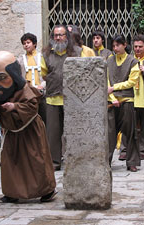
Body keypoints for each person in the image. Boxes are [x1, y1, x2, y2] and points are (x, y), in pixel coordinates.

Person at [0, 51, 56, 203]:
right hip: (12, 133)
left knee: (36, 161)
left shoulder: (25, 89)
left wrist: (15, 106)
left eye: (0, 77)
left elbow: (32, 106)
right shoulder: (0, 92)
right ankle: (12, 193)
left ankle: (46, 190)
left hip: (30, 132)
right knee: (11, 163)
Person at [41, 25, 82, 171]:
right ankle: (55, 162)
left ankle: (74, 161)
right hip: (53, 98)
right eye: (55, 35)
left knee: (73, 131)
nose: (58, 38)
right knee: (53, 133)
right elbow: (44, 74)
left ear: (67, 37)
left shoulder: (77, 52)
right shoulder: (46, 54)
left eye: (61, 35)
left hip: (72, 99)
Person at [118, 35, 144, 161]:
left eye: (140, 47)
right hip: (131, 98)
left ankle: (142, 149)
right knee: (128, 125)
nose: (137, 49)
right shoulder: (129, 59)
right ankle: (125, 150)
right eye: (135, 47)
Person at [107, 34, 141, 172]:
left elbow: (132, 81)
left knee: (131, 133)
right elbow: (106, 79)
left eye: (118, 45)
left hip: (127, 100)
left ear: (124, 44)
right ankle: (106, 162)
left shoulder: (132, 61)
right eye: (113, 46)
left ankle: (132, 161)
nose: (115, 48)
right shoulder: (109, 60)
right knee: (109, 134)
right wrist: (113, 98)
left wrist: (115, 88)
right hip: (111, 102)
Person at [17, 32, 47, 125]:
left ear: (34, 44)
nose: (26, 45)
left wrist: (42, 86)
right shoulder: (20, 60)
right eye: (24, 43)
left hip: (41, 93)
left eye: (28, 42)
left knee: (43, 118)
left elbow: (48, 74)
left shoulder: (42, 57)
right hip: (27, 95)